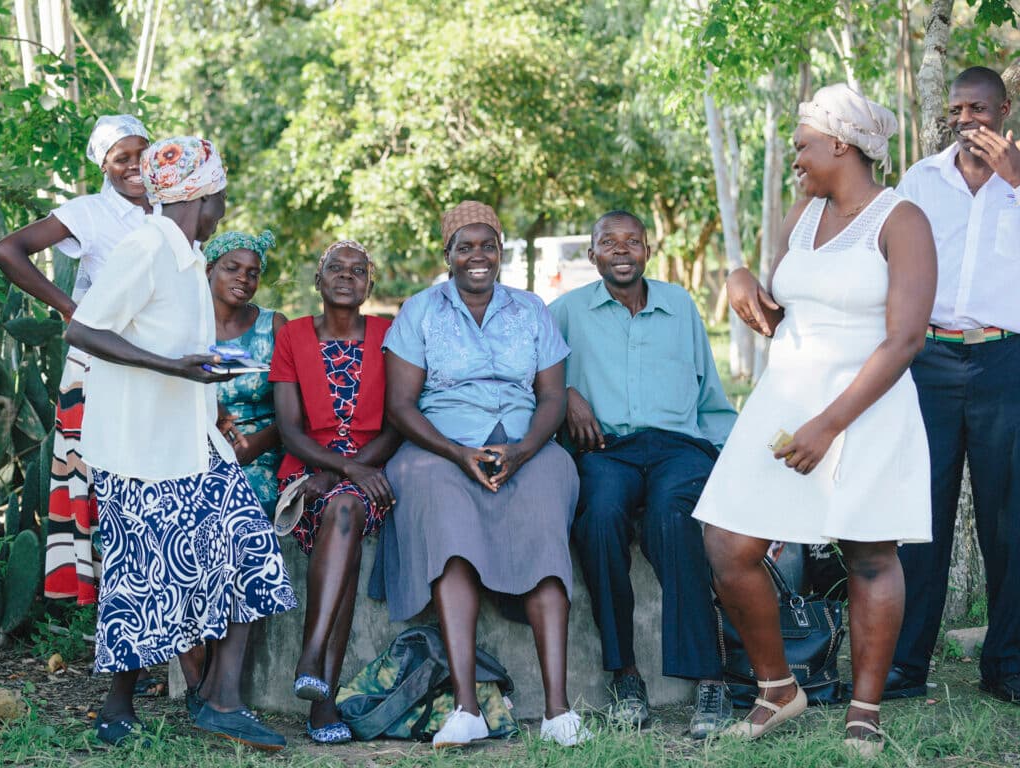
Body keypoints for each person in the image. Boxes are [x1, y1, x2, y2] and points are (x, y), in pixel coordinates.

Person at [693, 84, 936, 757]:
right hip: (784, 397)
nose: (795, 157)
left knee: (868, 554)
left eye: (803, 144)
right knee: (727, 542)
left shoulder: (901, 219)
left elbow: (906, 339)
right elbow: (776, 308)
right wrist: (742, 279)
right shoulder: (802, 211)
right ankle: (779, 689)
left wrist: (830, 424)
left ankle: (864, 710)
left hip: (866, 406)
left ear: (841, 143)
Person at [64, 136, 296, 750]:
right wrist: (173, 370)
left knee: (250, 548)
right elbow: (83, 328)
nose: (224, 203)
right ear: (203, 195)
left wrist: (210, 395)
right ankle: (117, 708)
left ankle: (221, 699)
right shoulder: (148, 246)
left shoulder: (189, 256)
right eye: (221, 192)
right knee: (138, 578)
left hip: (191, 441)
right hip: (139, 449)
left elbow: (178, 346)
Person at [380, 201, 590, 748]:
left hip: (525, 445)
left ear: (501, 251)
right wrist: (456, 452)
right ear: (446, 254)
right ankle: (467, 708)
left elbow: (550, 397)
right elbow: (401, 406)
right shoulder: (420, 312)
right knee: (449, 527)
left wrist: (521, 452)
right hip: (439, 449)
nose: (478, 256)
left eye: (488, 245)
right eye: (465, 247)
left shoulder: (531, 310)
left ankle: (557, 712)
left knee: (548, 509)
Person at [547, 210, 738, 739]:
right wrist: (565, 396)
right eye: (609, 242)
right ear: (592, 255)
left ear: (648, 250)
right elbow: (526, 375)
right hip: (606, 449)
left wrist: (730, 461)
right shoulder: (563, 312)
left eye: (633, 241)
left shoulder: (679, 306)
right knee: (601, 517)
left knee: (674, 519)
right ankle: (625, 674)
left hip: (679, 448)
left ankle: (709, 680)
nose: (622, 249)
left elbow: (710, 398)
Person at [888, 66, 1020, 706]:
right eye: (957, 110)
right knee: (921, 517)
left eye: (979, 109)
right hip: (930, 362)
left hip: (1006, 362)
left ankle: (1008, 666)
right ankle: (906, 666)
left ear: (1005, 108)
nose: (967, 121)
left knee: (1009, 521)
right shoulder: (921, 179)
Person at [0, 114, 152, 608]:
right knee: (104, 486)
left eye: (140, 153)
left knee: (151, 484)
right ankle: (112, 613)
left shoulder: (172, 207)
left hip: (159, 366)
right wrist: (68, 306)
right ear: (104, 165)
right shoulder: (88, 212)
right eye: (120, 158)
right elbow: (8, 249)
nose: (134, 166)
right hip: (100, 366)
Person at [270, 240, 400, 744]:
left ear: (370, 284)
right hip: (308, 472)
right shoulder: (294, 337)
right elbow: (290, 431)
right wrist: (337, 468)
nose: (347, 277)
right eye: (336, 269)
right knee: (340, 516)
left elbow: (397, 423)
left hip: (371, 476)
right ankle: (321, 700)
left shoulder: (390, 336)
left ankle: (312, 659)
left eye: (358, 270)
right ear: (318, 280)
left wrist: (349, 472)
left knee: (345, 507)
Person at [206, 229, 287, 516]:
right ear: (209, 269)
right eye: (232, 268)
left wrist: (253, 446)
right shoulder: (186, 324)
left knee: (240, 506)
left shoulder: (273, 326)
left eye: (253, 273)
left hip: (259, 452)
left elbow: (296, 410)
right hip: (195, 448)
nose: (243, 277)